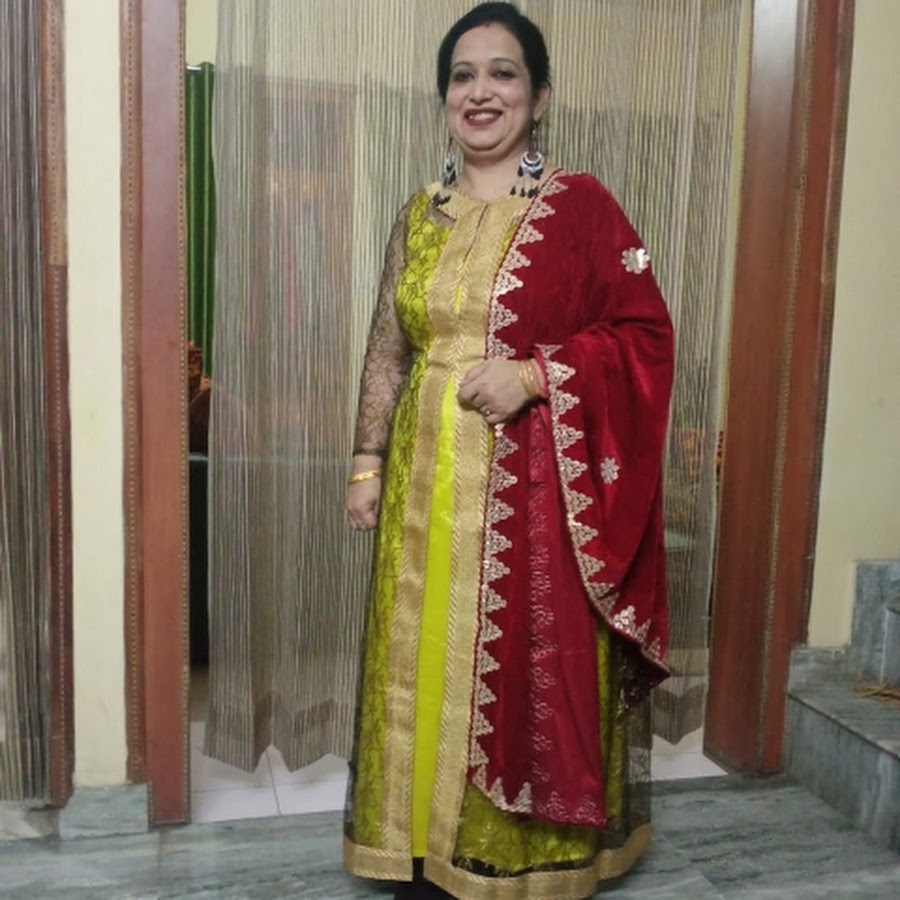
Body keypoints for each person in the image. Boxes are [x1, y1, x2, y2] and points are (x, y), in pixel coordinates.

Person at [344, 4, 673, 898]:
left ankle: (505, 858)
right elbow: (389, 345)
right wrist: (367, 461)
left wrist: (534, 375)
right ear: (443, 97)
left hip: (532, 488)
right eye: (462, 76)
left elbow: (644, 336)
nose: (480, 92)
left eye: (503, 73)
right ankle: (415, 844)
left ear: (540, 96)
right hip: (420, 479)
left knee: (515, 664)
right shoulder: (420, 215)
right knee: (417, 653)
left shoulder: (581, 208)